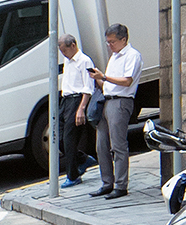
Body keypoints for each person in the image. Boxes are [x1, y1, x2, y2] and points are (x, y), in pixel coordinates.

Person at [93, 22, 141, 197]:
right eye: (108, 42)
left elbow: (127, 81)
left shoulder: (132, 56)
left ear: (123, 39)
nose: (110, 45)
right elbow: (109, 82)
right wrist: (97, 78)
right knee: (101, 145)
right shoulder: (114, 56)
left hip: (121, 101)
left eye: (112, 42)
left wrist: (104, 76)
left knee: (118, 145)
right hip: (107, 99)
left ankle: (121, 185)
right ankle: (107, 182)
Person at [57, 32, 95, 183]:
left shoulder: (84, 61)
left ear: (73, 45)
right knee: (59, 138)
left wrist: (81, 108)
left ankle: (72, 176)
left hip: (76, 100)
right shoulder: (68, 61)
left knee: (69, 139)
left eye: (65, 51)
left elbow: (88, 87)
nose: (64, 54)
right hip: (65, 100)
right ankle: (83, 159)